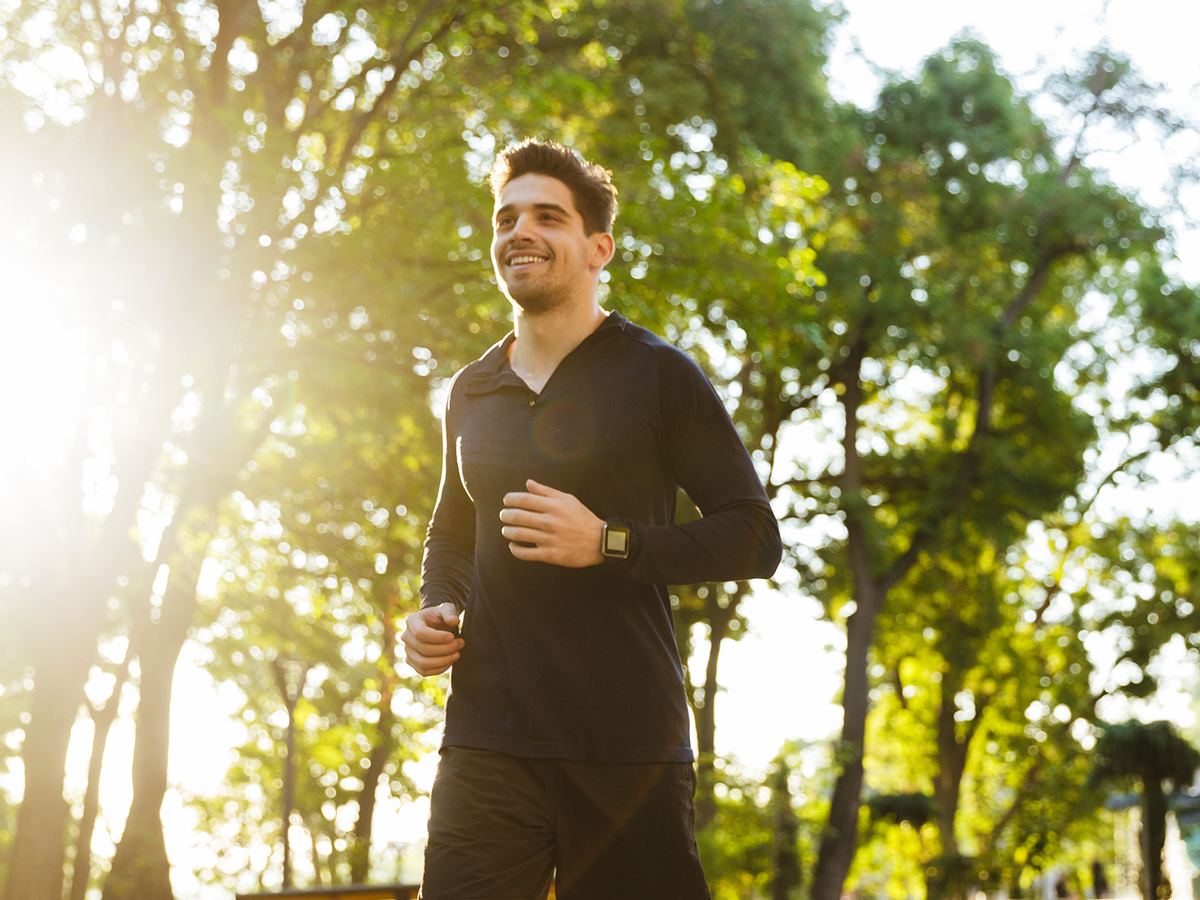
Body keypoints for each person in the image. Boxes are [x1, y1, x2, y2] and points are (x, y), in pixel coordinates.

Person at [401, 138, 782, 900]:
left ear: (598, 247)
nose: (520, 232)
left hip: (627, 744)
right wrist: (436, 608)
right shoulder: (470, 391)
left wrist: (606, 542)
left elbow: (754, 535)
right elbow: (452, 533)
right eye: (507, 218)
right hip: (489, 737)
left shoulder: (659, 375)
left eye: (548, 216)